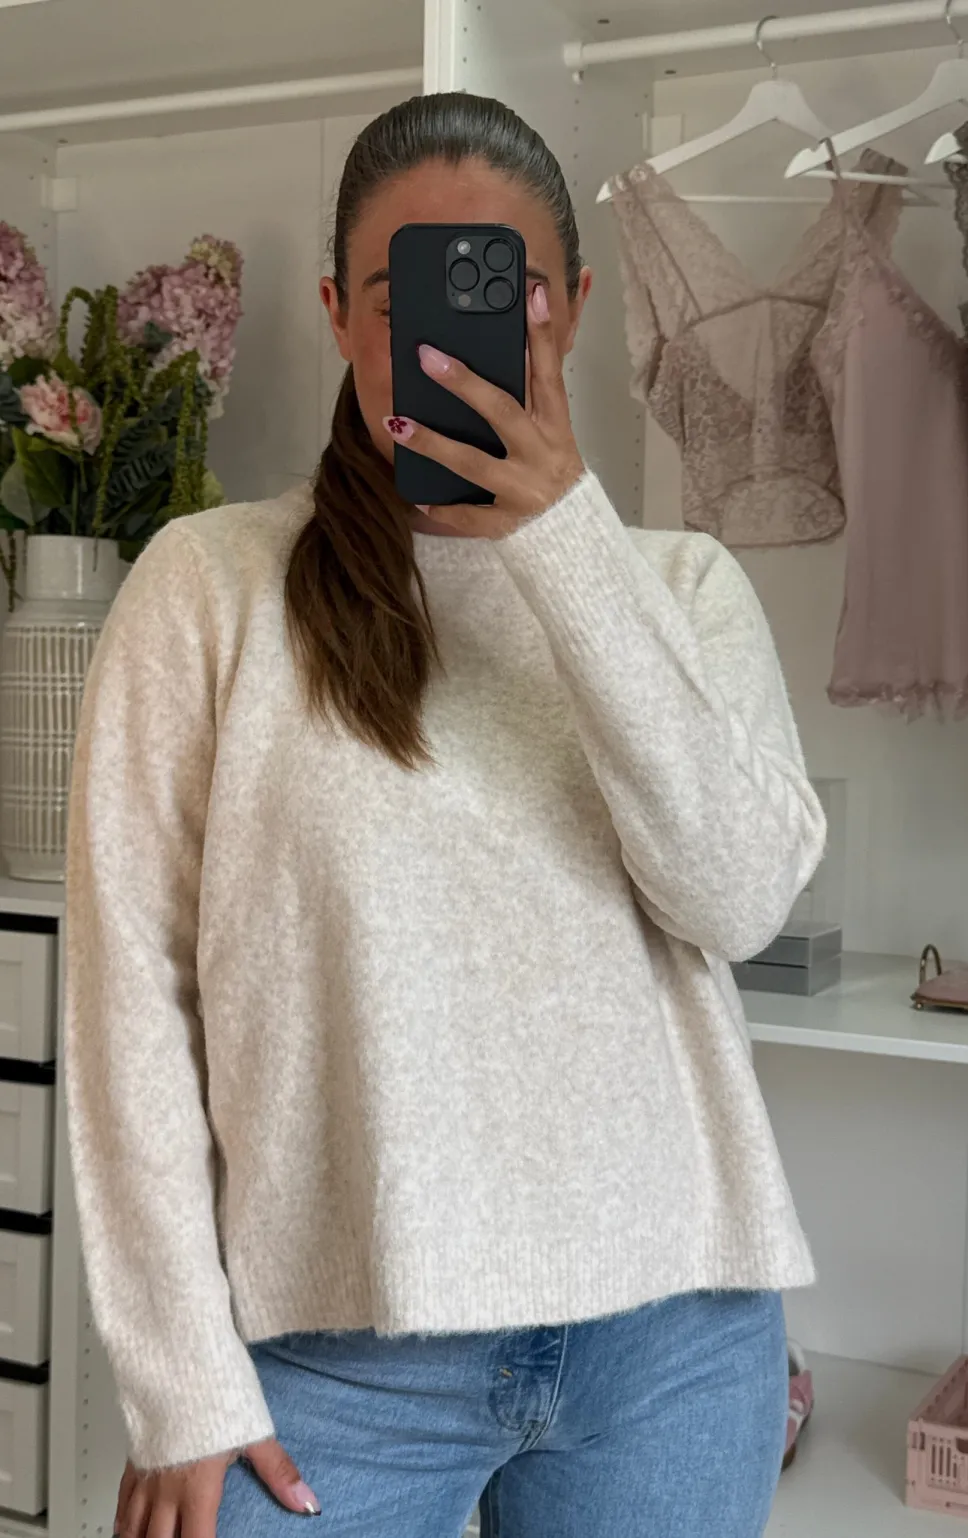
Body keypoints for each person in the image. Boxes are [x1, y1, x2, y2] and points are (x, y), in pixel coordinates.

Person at [64, 91, 826, 1538]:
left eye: (505, 288)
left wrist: (566, 543)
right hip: (334, 1361)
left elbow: (736, 900)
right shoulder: (209, 588)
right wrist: (179, 1379)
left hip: (673, 1338)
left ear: (572, 308)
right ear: (341, 312)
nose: (448, 335)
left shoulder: (681, 587)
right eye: (402, 293)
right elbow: (129, 1005)